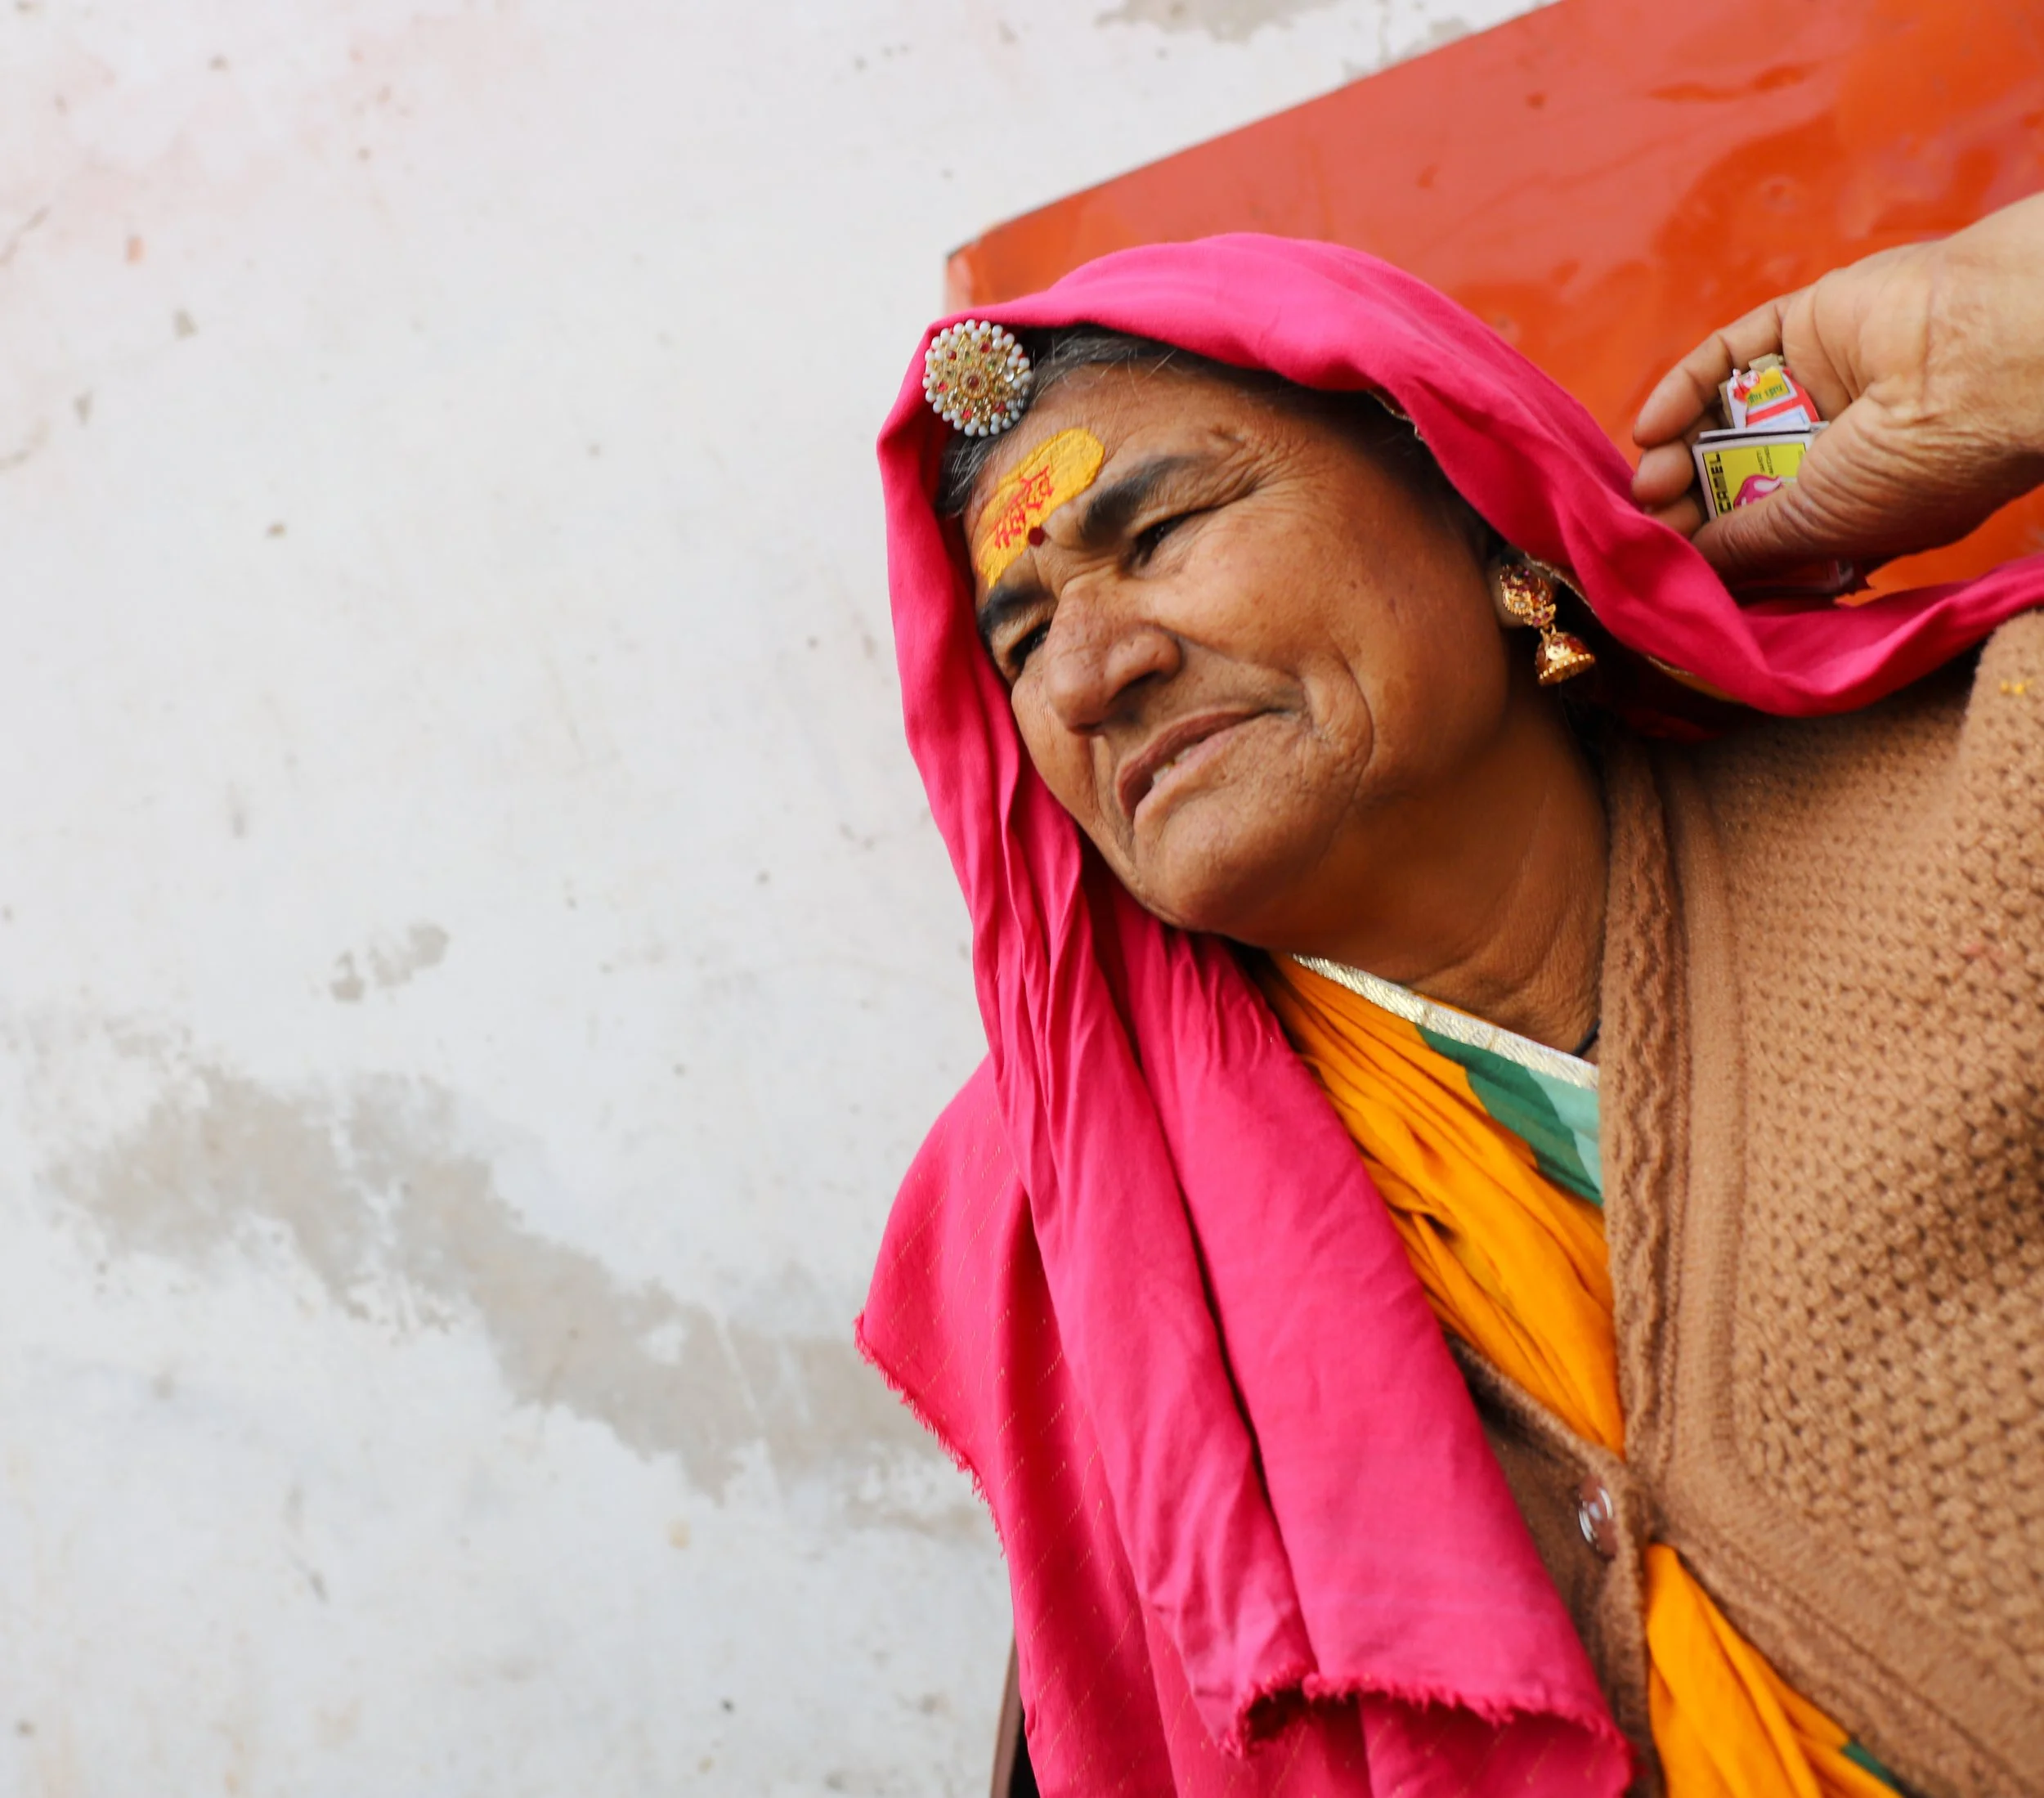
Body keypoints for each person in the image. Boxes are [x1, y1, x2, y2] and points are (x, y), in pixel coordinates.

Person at [858, 210, 2043, 1798]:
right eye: (1020, 636)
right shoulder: (1094, 1235)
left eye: (1160, 535)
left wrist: (1996, 335)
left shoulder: (1992, 789)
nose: (1089, 673)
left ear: (1485, 514)